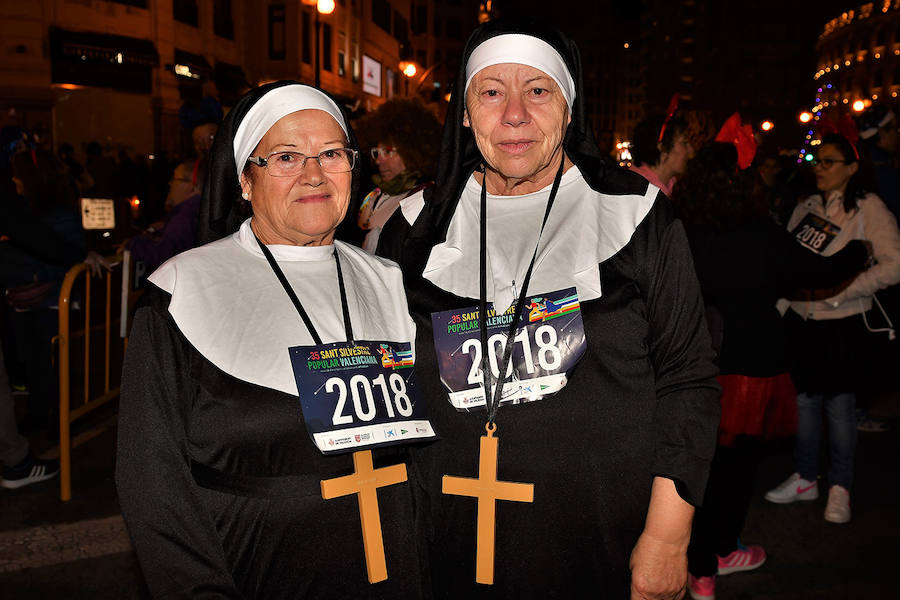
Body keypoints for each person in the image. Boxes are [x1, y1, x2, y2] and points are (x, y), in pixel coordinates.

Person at [378, 19, 720, 598]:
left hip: (600, 540)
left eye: (538, 90)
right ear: (464, 113)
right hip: (447, 536)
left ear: (568, 108)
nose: (514, 113)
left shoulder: (638, 218)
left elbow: (688, 379)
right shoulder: (413, 227)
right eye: (491, 92)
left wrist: (667, 539)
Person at [116, 82, 426, 598]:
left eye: (331, 153)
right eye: (285, 156)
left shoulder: (388, 279)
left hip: (394, 567)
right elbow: (153, 485)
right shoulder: (183, 291)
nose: (313, 174)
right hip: (258, 573)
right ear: (243, 180)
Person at [674, 142, 869, 600]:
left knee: (696, 468)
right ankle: (711, 560)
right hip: (750, 368)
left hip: (695, 361)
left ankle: (698, 559)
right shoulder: (758, 232)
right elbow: (817, 271)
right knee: (735, 471)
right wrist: (860, 248)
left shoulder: (682, 228)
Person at [765, 133, 900, 523]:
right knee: (805, 404)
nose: (819, 168)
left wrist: (842, 293)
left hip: (842, 323)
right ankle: (807, 476)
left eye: (829, 162)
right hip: (802, 321)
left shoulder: (867, 207)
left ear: (853, 168)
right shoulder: (805, 204)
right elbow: (788, 261)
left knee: (840, 409)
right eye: (817, 161)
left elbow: (893, 264)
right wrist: (783, 303)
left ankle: (840, 486)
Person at [354, 98, 442, 253]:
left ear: (411, 152)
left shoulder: (427, 198)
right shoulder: (373, 196)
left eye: (387, 151)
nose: (379, 160)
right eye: (376, 152)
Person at [123, 160, 202, 273]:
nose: (170, 183)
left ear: (191, 186)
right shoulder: (197, 211)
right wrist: (165, 228)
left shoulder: (186, 216)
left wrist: (132, 244)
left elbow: (162, 256)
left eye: (175, 179)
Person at [630, 111, 693, 198]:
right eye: (684, 142)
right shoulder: (639, 194)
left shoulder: (668, 188)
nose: (690, 150)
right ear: (663, 147)